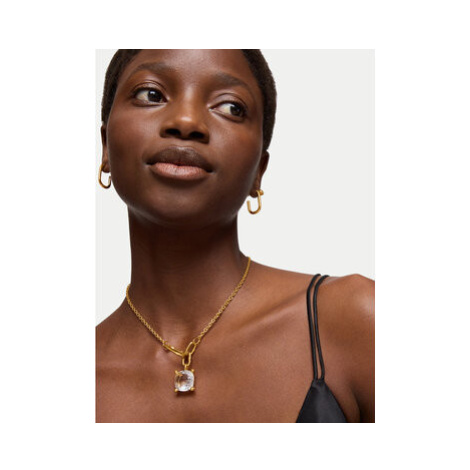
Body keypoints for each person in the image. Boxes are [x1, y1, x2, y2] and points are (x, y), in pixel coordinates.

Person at [96, 49, 375, 423]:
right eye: (151, 94)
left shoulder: (355, 320)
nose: (186, 121)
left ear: (259, 170)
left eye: (230, 107)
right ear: (105, 148)